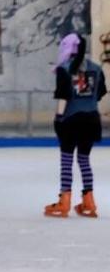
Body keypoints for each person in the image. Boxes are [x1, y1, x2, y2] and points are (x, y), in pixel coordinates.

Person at [45, 34, 103, 218]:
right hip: (92, 119)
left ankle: (65, 200)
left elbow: (63, 96)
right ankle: (89, 200)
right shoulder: (97, 68)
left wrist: (58, 117)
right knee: (84, 160)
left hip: (70, 120)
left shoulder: (64, 69)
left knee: (67, 160)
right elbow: (101, 93)